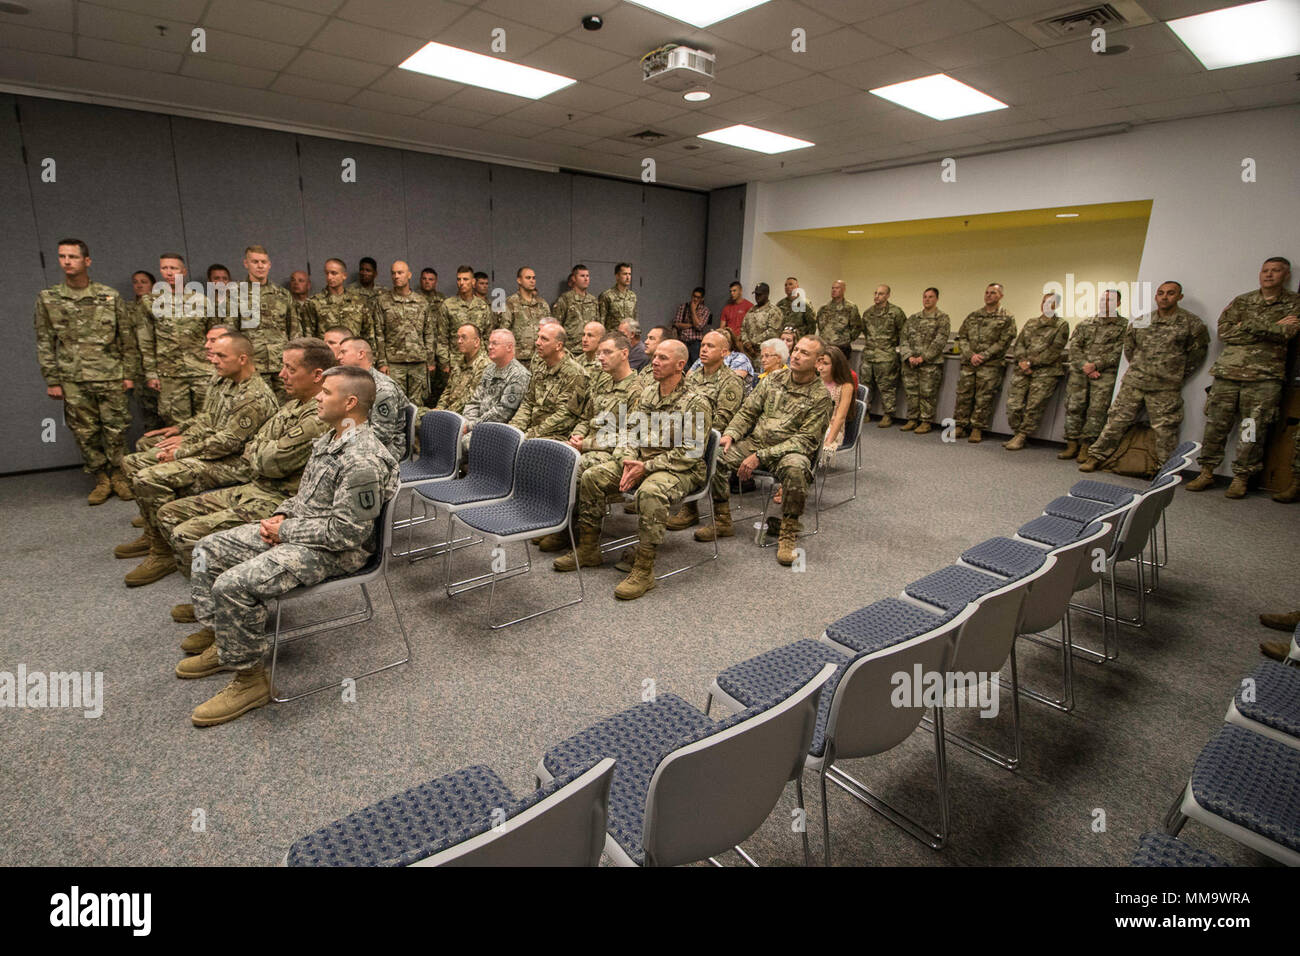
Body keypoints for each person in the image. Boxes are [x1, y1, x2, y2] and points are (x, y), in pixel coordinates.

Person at [176, 366, 399, 727]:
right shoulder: (331, 437)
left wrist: (286, 532)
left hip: (335, 553)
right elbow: (306, 496)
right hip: (303, 531)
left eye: (326, 392)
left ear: (350, 402)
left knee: (232, 585)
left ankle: (250, 681)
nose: (318, 397)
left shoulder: (362, 460)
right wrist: (281, 516)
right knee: (206, 550)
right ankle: (224, 634)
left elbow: (348, 535)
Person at [158, 337, 336, 617]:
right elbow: (256, 444)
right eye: (282, 366)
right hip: (255, 487)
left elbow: (270, 462)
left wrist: (259, 452)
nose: (281, 375)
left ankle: (222, 608)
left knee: (186, 534)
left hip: (279, 500)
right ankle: (209, 596)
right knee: (169, 513)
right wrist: (260, 451)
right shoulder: (293, 405)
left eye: (290, 369)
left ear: (317, 376)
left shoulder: (318, 415)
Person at [116, 333, 278, 587]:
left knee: (148, 477)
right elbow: (207, 420)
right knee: (134, 462)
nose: (214, 360)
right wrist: (184, 439)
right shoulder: (227, 381)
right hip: (217, 454)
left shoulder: (254, 396)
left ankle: (163, 552)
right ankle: (155, 535)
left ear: (242, 358)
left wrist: (181, 453)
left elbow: (229, 442)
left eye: (222, 356)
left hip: (237, 464)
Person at [554, 340, 710, 600]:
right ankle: (589, 549)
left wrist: (645, 467)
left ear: (680, 365)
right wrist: (629, 460)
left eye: (663, 358)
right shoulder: (649, 393)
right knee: (593, 476)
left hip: (680, 468)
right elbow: (631, 434)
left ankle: (644, 569)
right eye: (655, 357)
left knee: (650, 492)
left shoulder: (696, 402)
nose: (655, 362)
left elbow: (690, 452)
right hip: (640, 461)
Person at [696, 336, 833, 566]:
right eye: (796, 349)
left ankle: (787, 533)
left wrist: (760, 456)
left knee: (797, 468)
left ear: (819, 361)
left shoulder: (821, 397)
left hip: (789, 451)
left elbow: (805, 441)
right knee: (716, 456)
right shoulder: (774, 379)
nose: (797, 355)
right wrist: (731, 434)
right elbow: (748, 411)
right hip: (756, 442)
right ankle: (722, 520)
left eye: (805, 353)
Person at [34, 238, 140, 505]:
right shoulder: (49, 299)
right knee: (85, 431)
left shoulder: (108, 296)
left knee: (116, 429)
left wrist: (128, 374)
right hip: (73, 378)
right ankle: (101, 478)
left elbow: (126, 338)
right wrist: (52, 379)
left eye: (73, 256)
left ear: (87, 261)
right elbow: (45, 341)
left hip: (110, 373)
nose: (67, 261)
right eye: (62, 256)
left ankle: (120, 476)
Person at [1186, 257, 1300, 497]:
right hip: (1228, 375)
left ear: (1286, 275)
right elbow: (1225, 332)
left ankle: (1241, 477)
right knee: (1216, 426)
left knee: (1251, 429)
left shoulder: (1293, 303)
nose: (1269, 275)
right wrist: (1270, 327)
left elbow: (1288, 333)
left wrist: (1246, 324)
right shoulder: (1243, 300)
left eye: (1275, 271)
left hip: (1263, 379)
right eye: (1265, 270)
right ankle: (1206, 471)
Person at [1079, 282, 1210, 471]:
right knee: (1115, 421)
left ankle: (1165, 469)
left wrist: (1174, 372)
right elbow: (1130, 349)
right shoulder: (1142, 321)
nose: (1165, 297)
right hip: (1135, 382)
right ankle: (1096, 457)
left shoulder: (1192, 324)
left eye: (1170, 293)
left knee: (1165, 430)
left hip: (1165, 386)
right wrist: (1141, 368)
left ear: (1179, 297)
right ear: (1156, 296)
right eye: (1161, 293)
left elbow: (1197, 355)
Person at [666, 329, 746, 531]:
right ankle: (685, 507)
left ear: (724, 353)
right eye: (702, 345)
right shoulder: (692, 378)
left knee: (711, 456)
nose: (704, 350)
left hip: (713, 438)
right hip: (688, 434)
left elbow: (723, 419)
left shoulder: (731, 381)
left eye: (711, 346)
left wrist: (692, 436)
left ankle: (722, 518)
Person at [140, 253, 216, 426]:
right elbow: (146, 340)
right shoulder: (150, 302)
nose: (168, 272)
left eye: (173, 268)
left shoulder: (202, 301)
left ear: (183, 271)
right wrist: (151, 373)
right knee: (176, 425)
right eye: (164, 268)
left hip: (202, 370)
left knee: (209, 421)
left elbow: (215, 335)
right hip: (170, 374)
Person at [1059, 289, 1126, 462]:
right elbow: (1074, 347)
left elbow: (1121, 351)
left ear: (1118, 303)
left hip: (1104, 374)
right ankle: (1072, 444)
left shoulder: (1124, 326)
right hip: (1080, 373)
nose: (1105, 303)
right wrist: (1085, 366)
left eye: (1110, 300)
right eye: (1103, 299)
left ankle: (1086, 446)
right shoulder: (1085, 324)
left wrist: (1097, 365)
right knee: (1074, 407)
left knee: (1096, 411)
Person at [1003, 292, 1070, 450]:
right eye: (1044, 302)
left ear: (1057, 305)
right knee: (1013, 405)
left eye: (1051, 302)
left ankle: (1022, 435)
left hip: (1045, 372)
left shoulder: (1061, 325)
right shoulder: (1031, 323)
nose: (1046, 305)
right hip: (1022, 369)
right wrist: (1022, 361)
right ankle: (1017, 432)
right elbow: (1019, 344)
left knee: (1034, 407)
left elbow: (1054, 351)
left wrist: (1030, 362)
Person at [953, 282, 1016, 443]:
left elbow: (1004, 341)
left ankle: (977, 428)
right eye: (987, 292)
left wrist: (983, 355)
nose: (989, 295)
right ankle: (959, 426)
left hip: (990, 365)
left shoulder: (1007, 317)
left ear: (1001, 296)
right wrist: (970, 354)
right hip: (970, 362)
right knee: (963, 395)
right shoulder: (974, 315)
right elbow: (963, 337)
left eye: (993, 293)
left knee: (984, 398)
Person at [508, 322, 587, 439]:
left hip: (556, 434)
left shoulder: (574, 374)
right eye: (538, 337)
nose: (537, 342)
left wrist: (529, 435)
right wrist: (515, 428)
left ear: (558, 346)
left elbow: (564, 416)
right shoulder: (541, 367)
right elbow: (528, 402)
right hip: (533, 429)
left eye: (544, 339)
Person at [338, 337, 412, 460]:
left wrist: (343, 443)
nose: (339, 357)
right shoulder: (354, 382)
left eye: (343, 352)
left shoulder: (382, 388)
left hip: (386, 449)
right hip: (358, 439)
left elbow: (381, 435)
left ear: (361, 354)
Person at [373, 260, 434, 406]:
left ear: (409, 275)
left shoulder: (421, 302)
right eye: (393, 273)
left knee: (418, 405)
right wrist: (382, 362)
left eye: (400, 273)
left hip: (418, 362)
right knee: (394, 403)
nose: (396, 276)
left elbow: (429, 332)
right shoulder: (383, 301)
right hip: (394, 363)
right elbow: (378, 334)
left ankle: (417, 430)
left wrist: (430, 360)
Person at [237, 244, 296, 399]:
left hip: (282, 365)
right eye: (255, 262)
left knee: (288, 408)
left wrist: (295, 361)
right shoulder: (235, 294)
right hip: (254, 366)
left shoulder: (283, 294)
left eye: (263, 262)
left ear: (269, 264)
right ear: (246, 264)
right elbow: (231, 335)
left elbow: (294, 330)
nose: (260, 266)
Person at [461, 329, 530, 448]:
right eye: (489, 343)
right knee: (451, 435)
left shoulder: (518, 375)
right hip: (477, 424)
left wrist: (470, 426)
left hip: (497, 430)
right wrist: (467, 422)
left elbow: (502, 413)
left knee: (461, 442)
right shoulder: (490, 369)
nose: (489, 347)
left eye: (494, 344)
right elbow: (475, 401)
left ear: (509, 347)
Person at [900, 287, 950, 435]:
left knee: (927, 393)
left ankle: (926, 421)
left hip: (930, 364)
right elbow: (903, 338)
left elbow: (940, 341)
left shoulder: (942, 318)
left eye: (930, 297)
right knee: (911, 392)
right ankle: (912, 419)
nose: (927, 299)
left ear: (936, 299)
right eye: (925, 297)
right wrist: (909, 356)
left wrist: (923, 358)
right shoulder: (913, 318)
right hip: (911, 363)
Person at [860, 284, 907, 428]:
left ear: (887, 296)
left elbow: (903, 333)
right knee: (866, 385)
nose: (877, 296)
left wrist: (888, 346)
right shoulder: (868, 313)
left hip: (886, 356)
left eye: (881, 294)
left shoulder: (896, 312)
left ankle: (888, 414)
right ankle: (865, 412)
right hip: (869, 355)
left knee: (887, 387)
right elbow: (866, 332)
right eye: (875, 293)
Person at [437, 265, 492, 374]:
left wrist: (488, 359)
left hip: (479, 362)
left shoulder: (483, 306)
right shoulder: (448, 305)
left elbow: (487, 336)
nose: (461, 283)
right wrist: (445, 363)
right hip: (456, 362)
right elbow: (442, 338)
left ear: (473, 282)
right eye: (459, 279)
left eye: (465, 279)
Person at [304, 258, 372, 346]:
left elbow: (368, 333)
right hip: (326, 354)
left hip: (352, 353)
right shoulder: (314, 302)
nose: (329, 277)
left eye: (334, 273)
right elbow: (309, 336)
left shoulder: (358, 301)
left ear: (344, 275)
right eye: (327, 273)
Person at [128, 269, 165, 431]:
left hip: (163, 368)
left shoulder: (161, 306)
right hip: (139, 371)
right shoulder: (127, 309)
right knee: (150, 419)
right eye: (136, 282)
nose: (139, 285)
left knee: (170, 415)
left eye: (144, 282)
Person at [434, 324, 489, 414]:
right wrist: (439, 408)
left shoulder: (484, 366)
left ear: (476, 342)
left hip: (465, 416)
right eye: (458, 337)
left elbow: (469, 399)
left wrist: (444, 413)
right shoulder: (460, 362)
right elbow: (448, 390)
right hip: (449, 412)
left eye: (463, 337)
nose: (459, 341)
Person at [500, 266, 550, 365]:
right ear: (519, 280)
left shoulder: (542, 304)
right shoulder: (510, 303)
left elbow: (549, 330)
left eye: (533, 278)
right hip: (518, 359)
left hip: (539, 358)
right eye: (528, 278)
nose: (532, 281)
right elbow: (504, 332)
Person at [815, 279, 863, 368]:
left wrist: (846, 339)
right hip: (825, 347)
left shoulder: (850, 307)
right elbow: (820, 326)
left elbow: (857, 327)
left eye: (837, 288)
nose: (834, 290)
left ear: (843, 290)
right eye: (832, 288)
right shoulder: (824, 308)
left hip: (842, 348)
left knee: (841, 375)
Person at [552, 264, 599, 354]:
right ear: (574, 278)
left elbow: (597, 324)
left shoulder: (593, 300)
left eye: (587, 276)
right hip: (571, 350)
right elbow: (557, 326)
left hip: (589, 349)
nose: (586, 279)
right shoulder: (565, 299)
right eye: (582, 276)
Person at [740, 282, 783, 364]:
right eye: (756, 294)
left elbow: (772, 333)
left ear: (767, 294)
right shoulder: (751, 310)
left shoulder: (774, 311)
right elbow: (743, 328)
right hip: (748, 353)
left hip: (765, 354)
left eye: (760, 295)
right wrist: (746, 343)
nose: (757, 297)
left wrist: (753, 342)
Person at [673, 286, 710, 365]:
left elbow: (699, 327)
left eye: (698, 297)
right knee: (682, 365)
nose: (695, 299)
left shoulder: (705, 310)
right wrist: (691, 324)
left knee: (695, 365)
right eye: (694, 296)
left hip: (696, 343)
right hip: (683, 341)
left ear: (702, 299)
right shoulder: (683, 307)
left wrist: (693, 310)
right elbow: (677, 324)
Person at [598, 262, 637, 330]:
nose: (628, 277)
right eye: (625, 274)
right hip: (613, 337)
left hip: (628, 337)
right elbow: (601, 321)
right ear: (617, 276)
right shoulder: (607, 295)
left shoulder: (632, 296)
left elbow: (635, 318)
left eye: (629, 274)